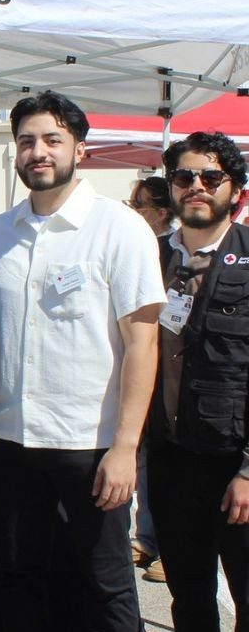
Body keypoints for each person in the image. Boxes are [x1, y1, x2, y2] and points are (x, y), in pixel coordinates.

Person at [0, 90, 166, 632]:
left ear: (79, 148)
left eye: (52, 139)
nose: (39, 152)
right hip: (11, 437)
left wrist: (125, 446)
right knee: (18, 575)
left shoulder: (119, 228)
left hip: (91, 443)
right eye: (27, 140)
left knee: (106, 582)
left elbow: (142, 345)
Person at [140, 132, 249, 632]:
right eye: (184, 178)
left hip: (235, 460)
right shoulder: (150, 258)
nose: (196, 188)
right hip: (171, 454)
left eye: (210, 178)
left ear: (236, 190)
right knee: (187, 590)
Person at [125, 175, 176, 584]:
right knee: (142, 458)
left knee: (166, 464)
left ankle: (168, 546)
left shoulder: (170, 252)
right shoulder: (143, 247)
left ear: (160, 212)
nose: (133, 210)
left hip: (174, 374)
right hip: (144, 369)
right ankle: (147, 537)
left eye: (139, 204)